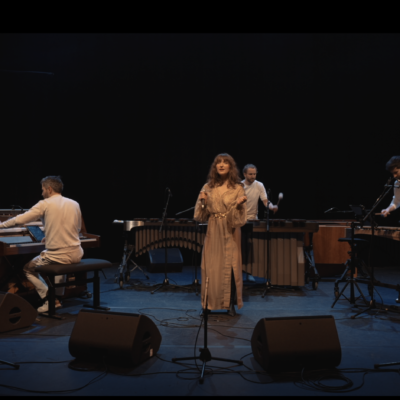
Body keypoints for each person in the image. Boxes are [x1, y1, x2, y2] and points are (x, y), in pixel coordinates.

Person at [0, 176, 84, 313]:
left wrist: (1, 225)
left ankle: (49, 299)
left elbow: (20, 220)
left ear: (49, 189)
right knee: (60, 263)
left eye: (43, 189)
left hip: (59, 255)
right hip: (77, 253)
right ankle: (58, 298)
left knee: (28, 268)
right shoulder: (74, 203)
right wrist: (50, 237)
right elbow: (77, 229)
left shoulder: (45, 203)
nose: (42, 193)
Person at [194, 153, 247, 316]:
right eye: (218, 162)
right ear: (215, 167)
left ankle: (229, 304)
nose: (221, 165)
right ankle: (208, 305)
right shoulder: (207, 187)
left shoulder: (238, 188)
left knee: (230, 266)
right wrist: (202, 202)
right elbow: (200, 216)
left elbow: (239, 220)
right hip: (213, 229)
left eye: (225, 162)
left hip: (230, 230)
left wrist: (238, 206)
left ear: (231, 167)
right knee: (210, 267)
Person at [241, 164, 278, 281]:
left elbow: (265, 201)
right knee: (241, 248)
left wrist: (271, 207)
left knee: (252, 248)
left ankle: (250, 272)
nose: (253, 176)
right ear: (244, 174)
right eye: (250, 174)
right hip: (240, 221)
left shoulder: (259, 185)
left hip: (253, 220)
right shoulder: (239, 186)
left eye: (254, 174)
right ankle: (238, 273)